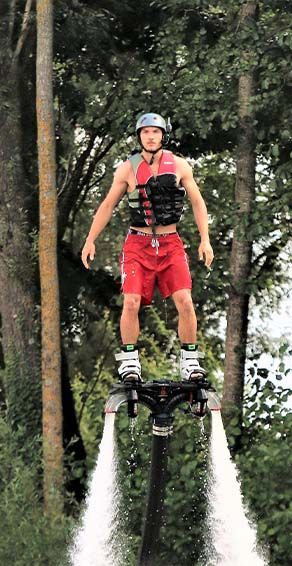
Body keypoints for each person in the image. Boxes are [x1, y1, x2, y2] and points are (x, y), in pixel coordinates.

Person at [80, 112, 215, 383]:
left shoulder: (179, 165)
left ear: (163, 135)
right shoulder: (127, 169)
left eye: (155, 132)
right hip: (138, 244)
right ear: (139, 137)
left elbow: (198, 203)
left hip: (170, 244)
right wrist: (90, 239)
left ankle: (190, 361)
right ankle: (130, 362)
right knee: (130, 302)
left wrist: (205, 239)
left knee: (185, 302)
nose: (151, 137)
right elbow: (107, 205)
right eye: (145, 132)